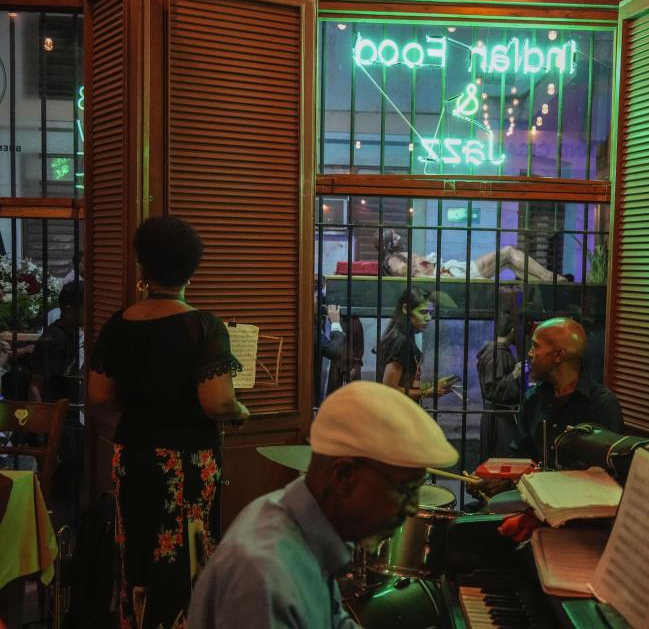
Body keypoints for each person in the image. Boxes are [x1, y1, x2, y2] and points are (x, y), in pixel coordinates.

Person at [187, 381, 458, 628]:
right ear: (343, 477)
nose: (411, 508)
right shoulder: (263, 575)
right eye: (404, 491)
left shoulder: (297, 525)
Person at [87, 216, 249, 629]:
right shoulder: (203, 327)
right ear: (192, 270)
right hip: (186, 460)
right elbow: (217, 402)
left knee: (135, 551)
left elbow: (100, 395)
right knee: (186, 557)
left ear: (143, 266)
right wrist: (239, 412)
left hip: (133, 454)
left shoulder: (119, 322)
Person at [469, 317, 623, 500]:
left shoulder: (600, 404)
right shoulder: (533, 398)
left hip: (580, 510)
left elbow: (601, 474)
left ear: (558, 356)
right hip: (535, 502)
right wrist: (497, 477)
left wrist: (529, 477)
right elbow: (520, 455)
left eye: (535, 346)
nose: (530, 353)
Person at [379, 228, 561, 282]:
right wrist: (422, 269)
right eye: (394, 236)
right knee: (508, 253)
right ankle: (551, 279)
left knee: (508, 263)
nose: (399, 236)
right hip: (454, 274)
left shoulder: (399, 255)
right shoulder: (393, 260)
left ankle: (546, 282)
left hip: (453, 270)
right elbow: (407, 273)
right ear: (388, 242)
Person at [376, 287, 456, 402]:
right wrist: (426, 393)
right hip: (396, 413)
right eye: (423, 312)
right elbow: (389, 388)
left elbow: (405, 383)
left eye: (430, 312)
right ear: (405, 309)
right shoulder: (401, 340)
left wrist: (431, 386)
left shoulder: (405, 336)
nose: (429, 318)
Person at [476, 315, 523, 458]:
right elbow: (493, 392)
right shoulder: (498, 354)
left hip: (495, 417)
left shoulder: (493, 351)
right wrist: (514, 375)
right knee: (502, 464)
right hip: (500, 419)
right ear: (512, 330)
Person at [30, 281, 82, 403]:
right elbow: (35, 386)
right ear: (69, 310)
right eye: (85, 307)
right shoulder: (56, 339)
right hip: (55, 413)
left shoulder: (70, 332)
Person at [314, 276, 345, 405]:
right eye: (317, 295)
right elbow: (334, 351)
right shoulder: (308, 327)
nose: (321, 299)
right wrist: (336, 323)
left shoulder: (316, 320)